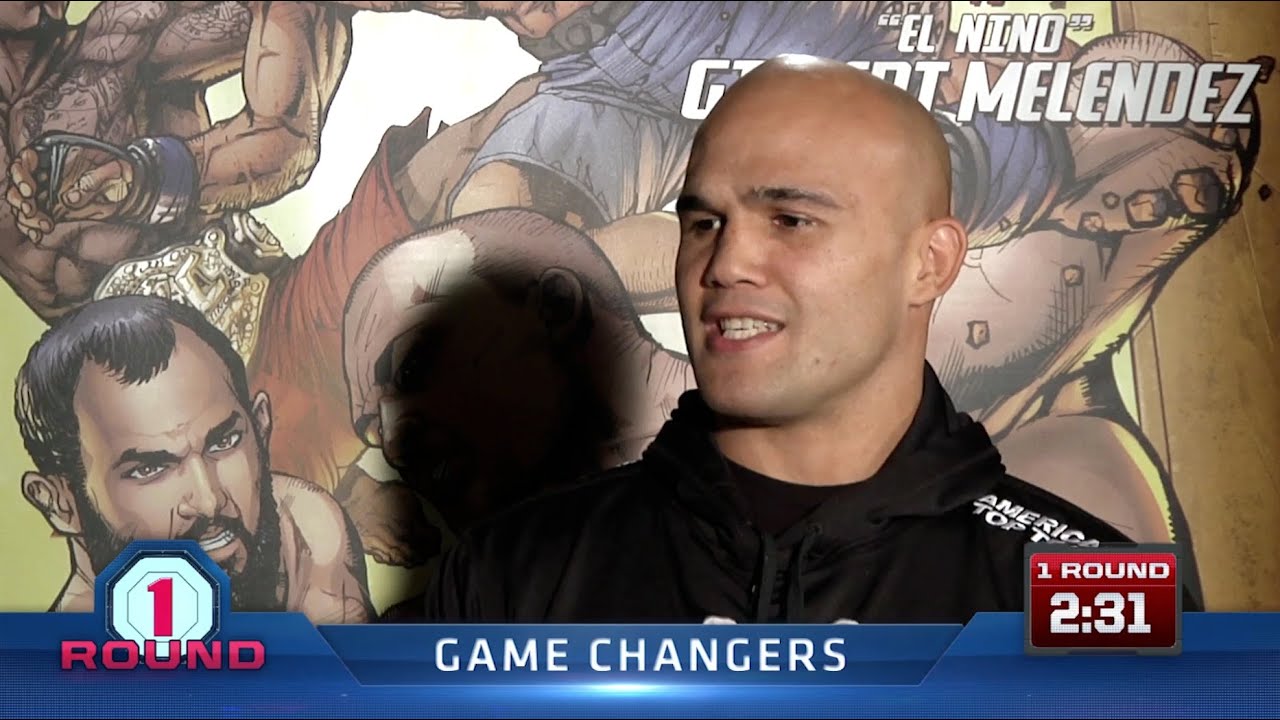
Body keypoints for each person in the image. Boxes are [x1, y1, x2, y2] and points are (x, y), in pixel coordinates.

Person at [422, 55, 1152, 624]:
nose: (725, 263)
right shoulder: (513, 575)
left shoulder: (1090, 595)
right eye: (704, 223)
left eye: (792, 221)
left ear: (929, 264)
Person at [14, 294, 375, 623]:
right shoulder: (62, 664)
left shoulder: (300, 528)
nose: (208, 500)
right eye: (149, 469)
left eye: (225, 442)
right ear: (61, 503)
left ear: (261, 427)